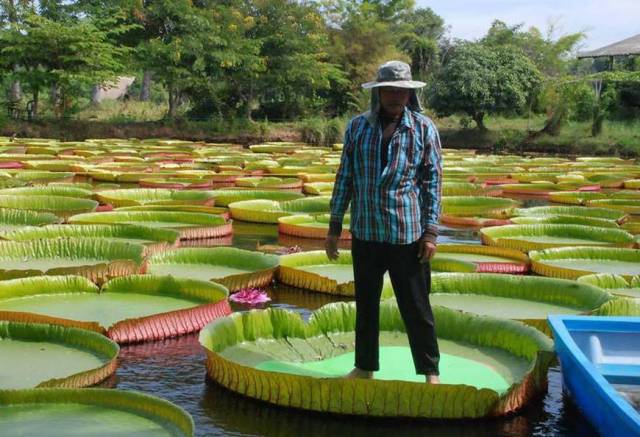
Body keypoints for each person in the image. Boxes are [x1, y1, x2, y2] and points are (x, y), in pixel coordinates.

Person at [325, 60, 443, 384]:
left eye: (401, 90)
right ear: (378, 92)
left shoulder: (423, 128)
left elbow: (432, 182)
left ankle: (430, 372)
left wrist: (431, 232)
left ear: (409, 94)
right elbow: (345, 176)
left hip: (407, 233)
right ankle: (364, 367)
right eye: (389, 90)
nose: (395, 96)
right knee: (366, 305)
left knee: (417, 308)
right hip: (365, 231)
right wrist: (334, 227)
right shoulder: (357, 127)